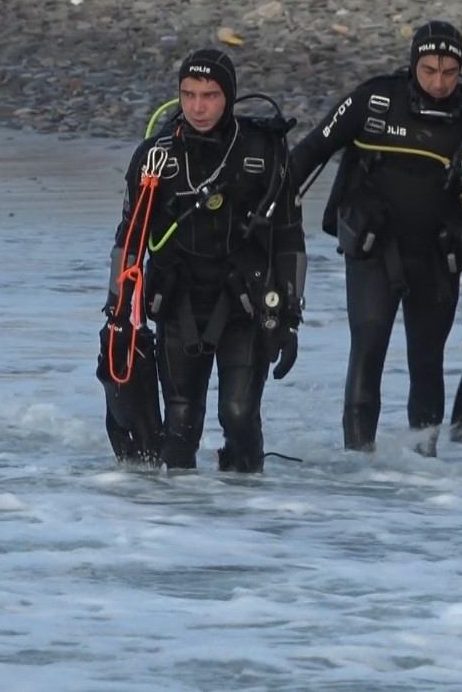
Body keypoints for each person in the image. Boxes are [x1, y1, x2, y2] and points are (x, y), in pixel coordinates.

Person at [288, 20, 462, 457]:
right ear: (413, 65)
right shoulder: (373, 100)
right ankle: (359, 461)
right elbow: (310, 151)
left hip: (437, 254)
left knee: (427, 362)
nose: (440, 81)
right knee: (368, 347)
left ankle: (423, 467)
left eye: (449, 72)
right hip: (373, 247)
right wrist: (266, 203)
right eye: (429, 70)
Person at [96, 49, 305, 473]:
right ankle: (180, 533)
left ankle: (248, 523)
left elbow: (289, 239)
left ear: (228, 96)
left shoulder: (265, 152)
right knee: (180, 428)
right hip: (179, 302)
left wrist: (289, 316)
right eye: (188, 94)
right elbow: (128, 241)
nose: (198, 106)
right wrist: (117, 317)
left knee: (239, 416)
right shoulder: (155, 157)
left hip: (244, 301)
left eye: (209, 95)